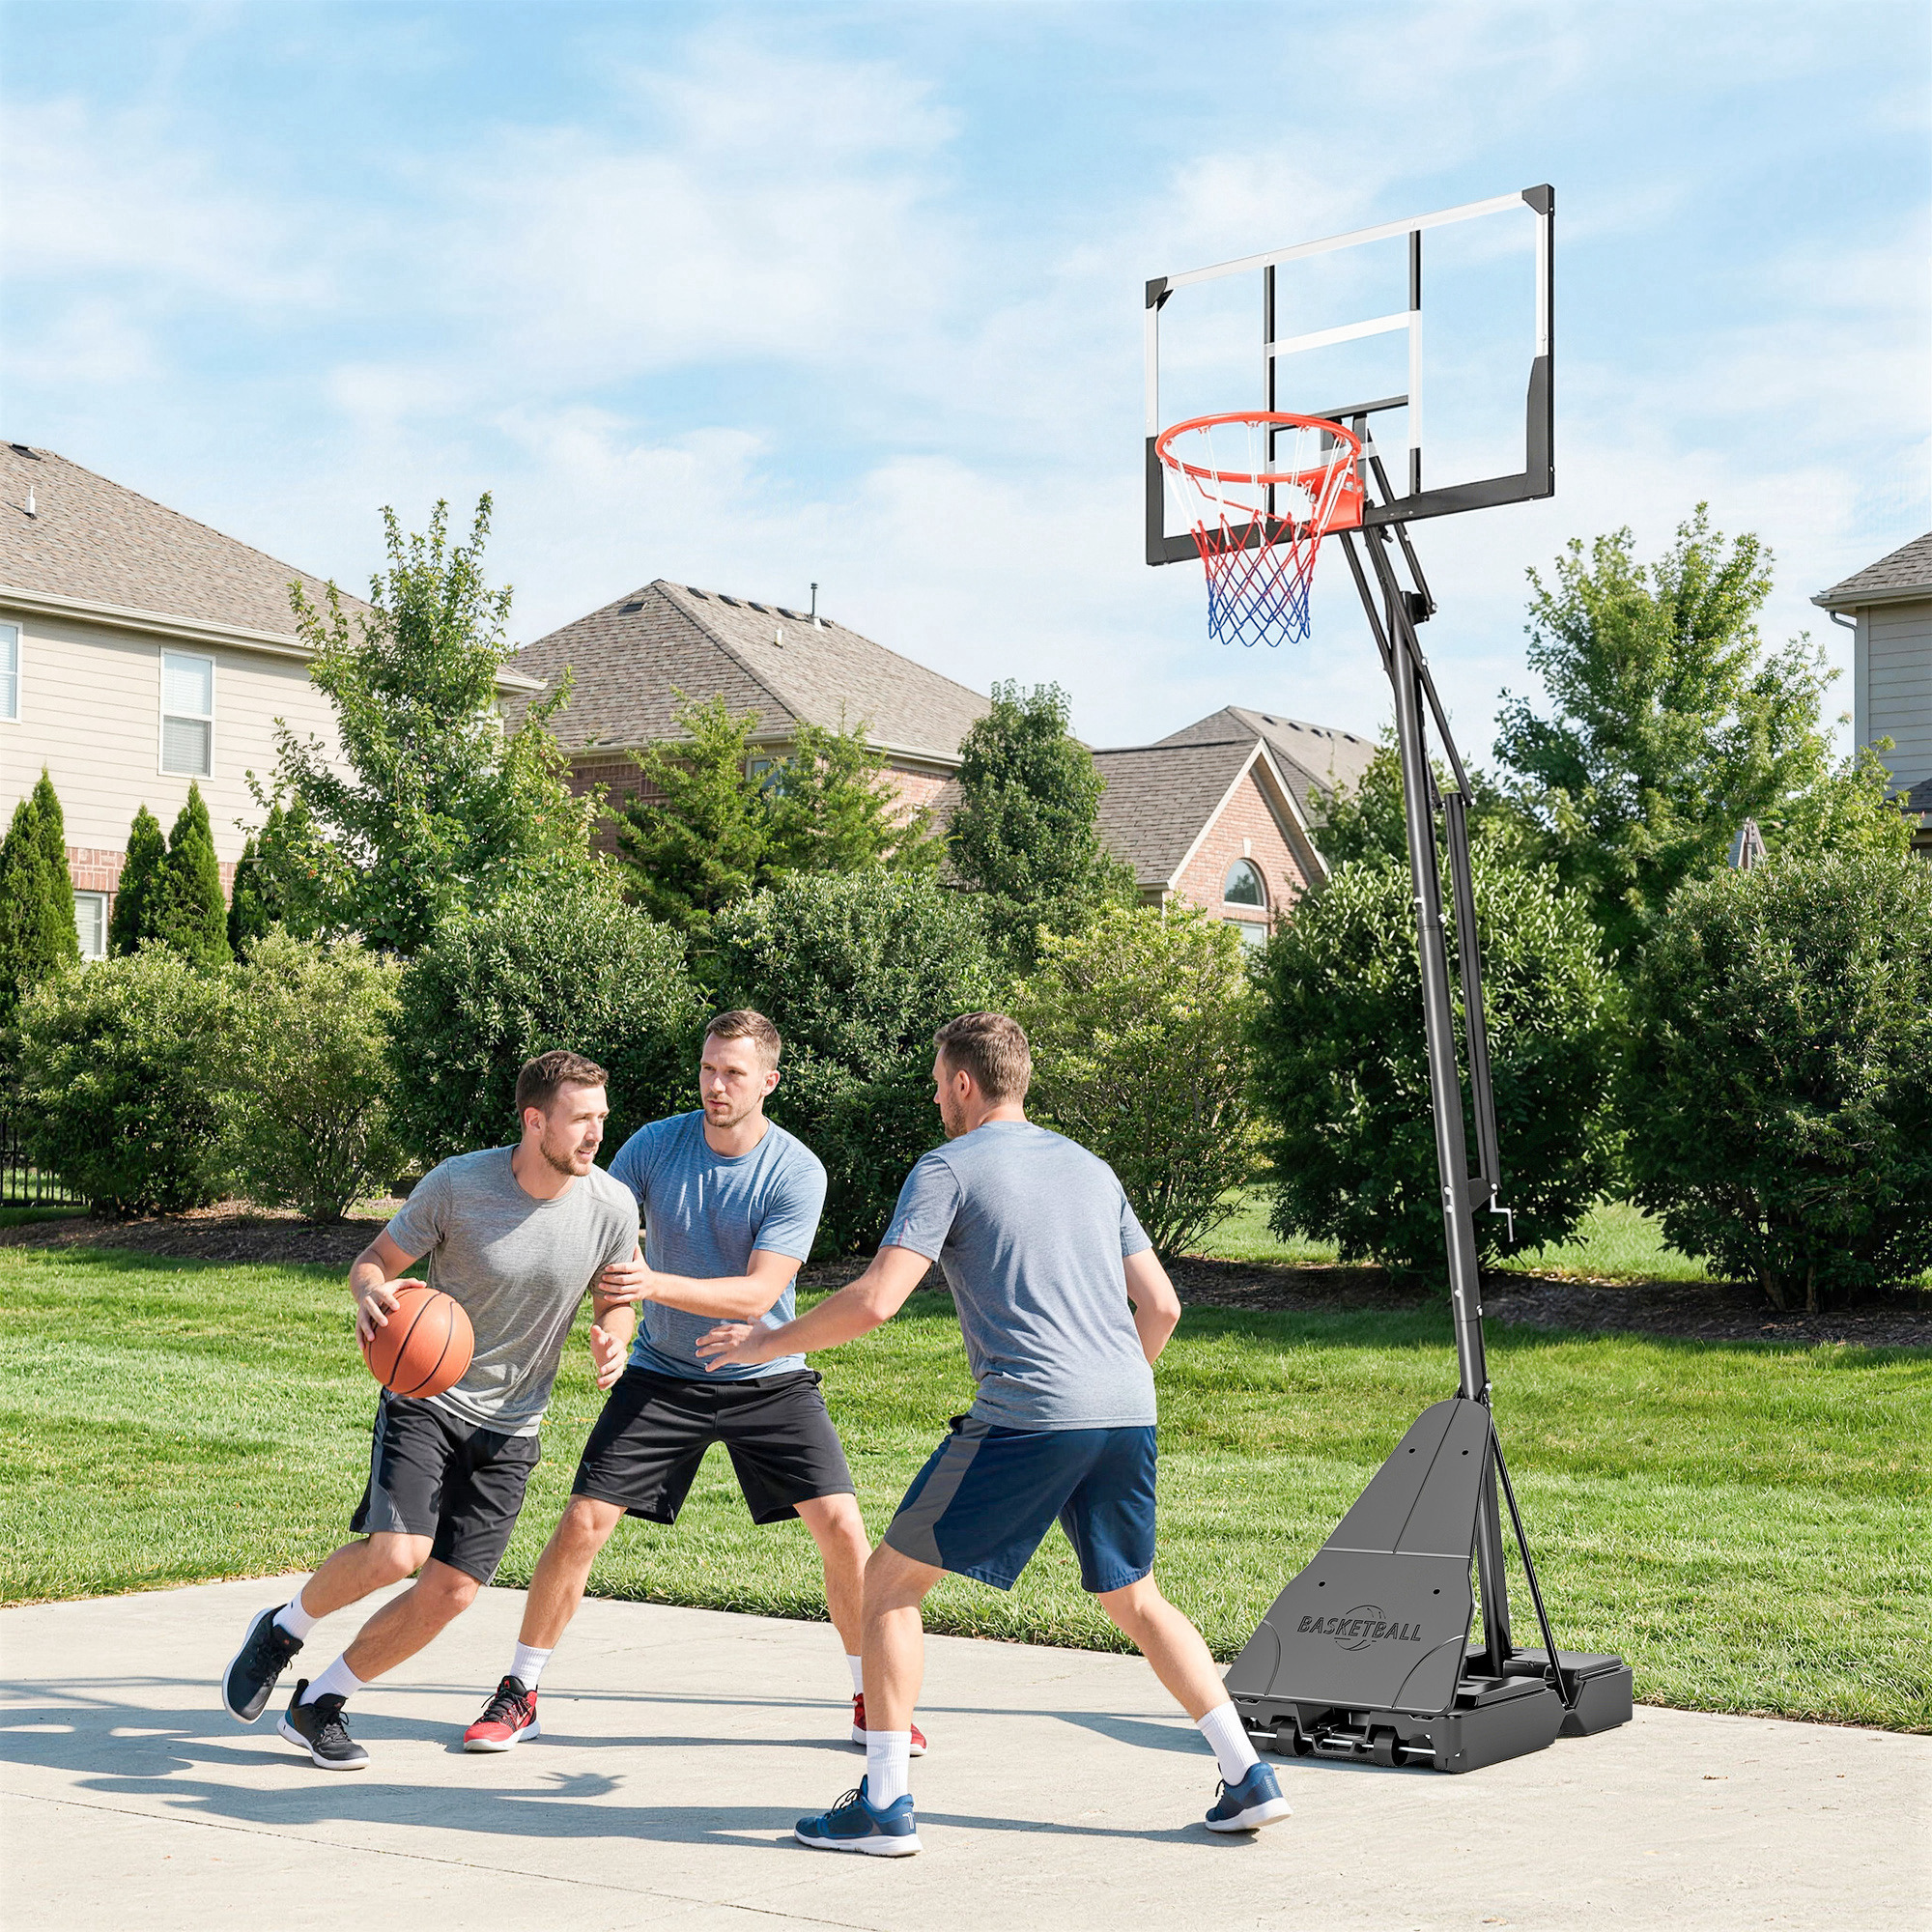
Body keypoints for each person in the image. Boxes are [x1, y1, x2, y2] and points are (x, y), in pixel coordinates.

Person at [698, 1010, 1291, 1856]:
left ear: (966, 1084)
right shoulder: (1090, 1168)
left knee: (888, 1586)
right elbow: (1161, 1306)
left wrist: (764, 1341)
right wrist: (1108, 1389)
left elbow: (876, 1299)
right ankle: (1248, 1776)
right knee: (1134, 1595)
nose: (937, 1097)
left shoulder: (947, 1168)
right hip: (1125, 1408)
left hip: (1030, 1414)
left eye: (940, 1083)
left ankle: (885, 1806)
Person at [460, 1009, 918, 1758]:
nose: (715, 1085)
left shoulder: (796, 1170)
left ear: (768, 1082)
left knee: (841, 1528)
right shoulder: (654, 1146)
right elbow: (600, 1238)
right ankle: (521, 1690)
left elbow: (756, 1293)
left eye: (733, 1073)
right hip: (665, 1374)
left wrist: (653, 1283)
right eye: (708, 1068)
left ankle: (874, 1699)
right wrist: (614, 1332)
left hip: (766, 1374)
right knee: (582, 1523)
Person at [219, 1050, 640, 1770]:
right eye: (581, 1118)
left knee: (450, 1591)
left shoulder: (611, 1206)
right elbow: (375, 1260)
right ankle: (284, 1628)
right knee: (398, 1554)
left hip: (514, 1423)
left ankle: (319, 1703)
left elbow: (618, 1292)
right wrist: (369, 1293)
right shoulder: (460, 1184)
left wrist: (615, 1340)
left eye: (601, 1117)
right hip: (427, 1397)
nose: (596, 1133)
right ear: (535, 1119)